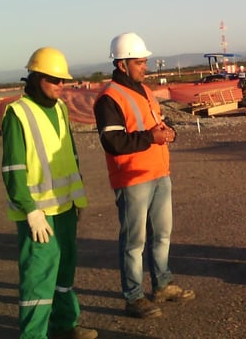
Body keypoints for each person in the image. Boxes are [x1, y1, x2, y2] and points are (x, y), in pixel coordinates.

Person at [93, 32, 195, 319]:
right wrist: (151, 137)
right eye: (139, 62)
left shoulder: (146, 92)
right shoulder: (109, 99)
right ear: (122, 64)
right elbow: (112, 142)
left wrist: (167, 132)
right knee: (134, 242)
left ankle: (162, 284)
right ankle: (134, 296)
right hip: (132, 179)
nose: (145, 67)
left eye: (144, 61)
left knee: (161, 235)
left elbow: (156, 124)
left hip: (159, 173)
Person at [1, 47, 97, 339]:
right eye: (54, 80)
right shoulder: (18, 113)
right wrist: (30, 210)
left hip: (65, 207)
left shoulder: (60, 108)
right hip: (38, 213)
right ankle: (33, 335)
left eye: (63, 80)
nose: (61, 85)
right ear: (36, 78)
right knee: (38, 278)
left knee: (65, 272)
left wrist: (78, 197)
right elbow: (13, 168)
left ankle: (64, 325)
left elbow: (70, 154)